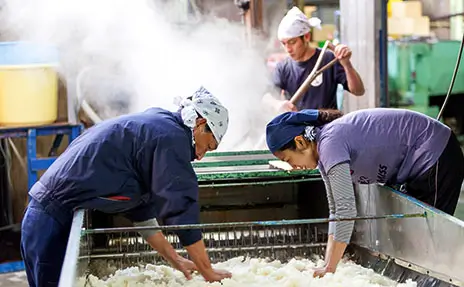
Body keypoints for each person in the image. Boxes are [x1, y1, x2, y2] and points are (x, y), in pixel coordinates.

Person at [20, 86, 233, 287]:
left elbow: (141, 213)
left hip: (45, 220)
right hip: (50, 224)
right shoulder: (170, 137)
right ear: (200, 123)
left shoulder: (159, 129)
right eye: (208, 146)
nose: (200, 156)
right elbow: (182, 210)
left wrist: (176, 259)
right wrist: (208, 272)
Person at [265, 108, 464, 278]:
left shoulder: (330, 142)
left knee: (432, 241)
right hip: (421, 161)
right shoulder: (324, 153)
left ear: (300, 142)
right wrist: (327, 265)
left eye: (288, 159)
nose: (292, 166)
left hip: (435, 153)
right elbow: (335, 209)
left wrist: (330, 268)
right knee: (419, 239)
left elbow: (346, 209)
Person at [262, 6, 365, 113]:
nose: (288, 49)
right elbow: (266, 97)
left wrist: (347, 64)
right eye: (284, 43)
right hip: (298, 126)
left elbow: (358, 91)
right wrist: (277, 104)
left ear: (306, 37)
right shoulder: (283, 67)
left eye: (292, 42)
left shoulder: (328, 58)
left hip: (328, 126)